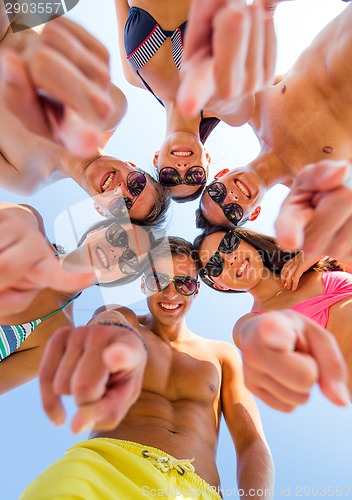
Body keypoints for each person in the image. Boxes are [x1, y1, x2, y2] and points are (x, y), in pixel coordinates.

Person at [22, 237, 274, 499]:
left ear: (196, 290)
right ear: (144, 285)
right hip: (104, 468)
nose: (170, 294)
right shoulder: (128, 321)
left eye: (184, 283)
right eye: (158, 280)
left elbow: (251, 443)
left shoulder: (222, 355)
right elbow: (108, 323)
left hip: (195, 489)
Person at [189, 1, 352, 259]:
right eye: (232, 211)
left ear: (219, 174)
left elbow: (264, 10)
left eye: (217, 193)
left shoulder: (253, 108)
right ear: (252, 213)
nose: (231, 195)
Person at [0, 14, 170, 225]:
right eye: (136, 184)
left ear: (101, 211)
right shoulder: (108, 112)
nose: (120, 189)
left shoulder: (25, 181)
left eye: (122, 206)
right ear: (132, 165)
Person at [115, 0, 276, 202]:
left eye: (170, 177)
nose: (182, 169)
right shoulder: (232, 111)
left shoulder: (133, 77)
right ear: (207, 159)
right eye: (195, 176)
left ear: (157, 159)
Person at [0, 202, 156, 394]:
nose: (117, 252)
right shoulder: (29, 221)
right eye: (118, 236)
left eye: (129, 260)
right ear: (96, 230)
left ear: (118, 278)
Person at [193, 227, 351, 412]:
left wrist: (321, 248)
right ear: (219, 286)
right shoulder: (249, 322)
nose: (230, 259)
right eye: (215, 265)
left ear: (246, 241)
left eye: (229, 245)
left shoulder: (319, 263)